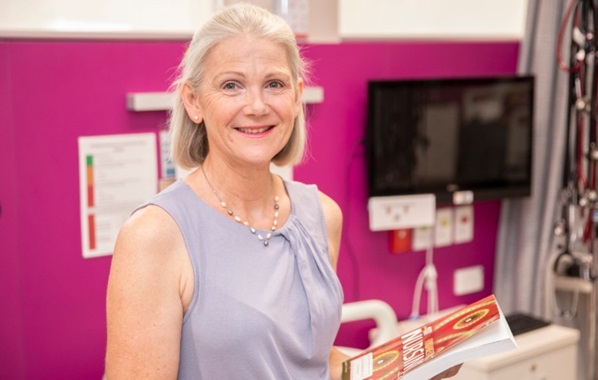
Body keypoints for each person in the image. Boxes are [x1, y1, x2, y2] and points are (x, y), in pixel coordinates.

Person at [105, 3, 460, 379]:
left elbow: (309, 362)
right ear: (193, 101)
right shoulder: (155, 235)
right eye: (231, 85)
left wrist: (406, 368)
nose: (257, 106)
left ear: (296, 96)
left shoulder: (321, 215)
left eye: (274, 84)